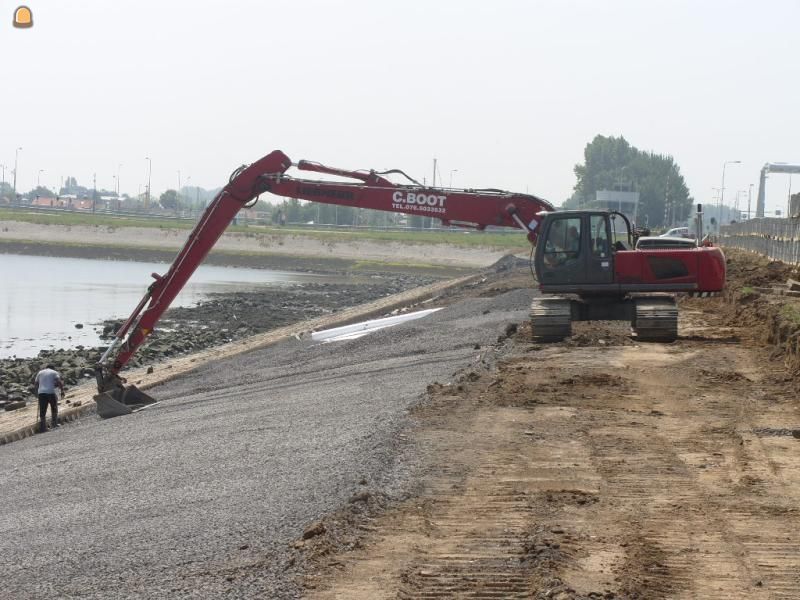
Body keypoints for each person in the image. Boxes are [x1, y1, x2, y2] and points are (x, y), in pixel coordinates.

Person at [34, 364, 64, 433]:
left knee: (42, 409)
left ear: (46, 368)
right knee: (54, 407)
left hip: (41, 393)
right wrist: (62, 390)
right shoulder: (54, 372)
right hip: (50, 392)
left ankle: (43, 427)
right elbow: (59, 382)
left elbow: (36, 383)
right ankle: (54, 424)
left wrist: (37, 393)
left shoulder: (40, 372)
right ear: (52, 368)